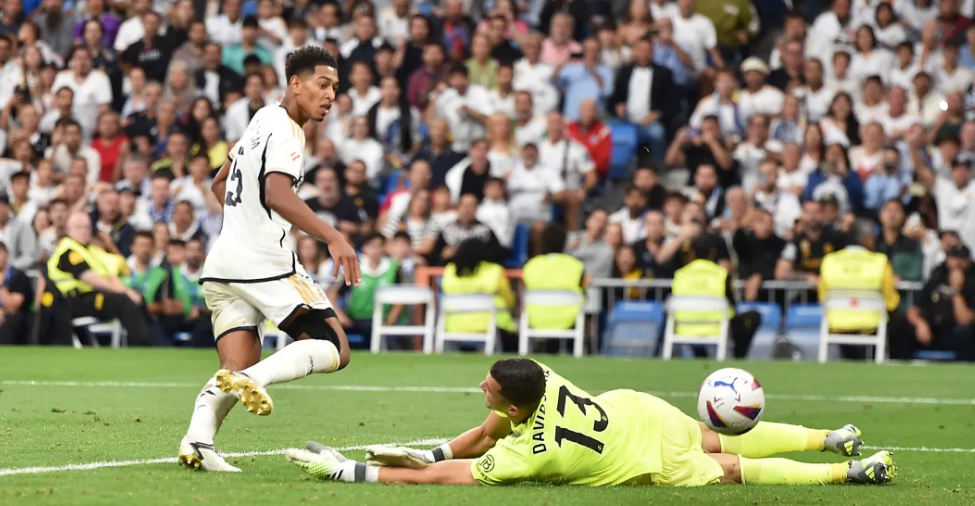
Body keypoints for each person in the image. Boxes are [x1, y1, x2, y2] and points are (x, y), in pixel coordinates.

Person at [287, 358, 896, 487]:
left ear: (513, 401)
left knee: (729, 464)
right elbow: (478, 436)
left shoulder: (531, 456)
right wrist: (434, 447)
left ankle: (849, 474)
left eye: (490, 388)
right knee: (712, 434)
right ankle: (831, 438)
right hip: (638, 411)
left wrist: (354, 475)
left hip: (644, 461)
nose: (483, 388)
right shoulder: (541, 376)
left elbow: (447, 478)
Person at [178, 47, 361, 473]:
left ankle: (197, 443)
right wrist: (333, 236)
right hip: (264, 262)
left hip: (223, 261)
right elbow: (277, 192)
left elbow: (219, 183)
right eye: (323, 84)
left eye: (335, 87)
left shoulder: (260, 118)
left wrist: (245, 222)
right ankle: (255, 380)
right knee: (336, 346)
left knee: (233, 365)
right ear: (295, 83)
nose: (331, 94)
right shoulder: (289, 132)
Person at [46, 212, 151, 346]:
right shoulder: (69, 251)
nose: (83, 231)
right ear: (68, 230)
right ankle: (142, 344)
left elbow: (110, 276)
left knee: (136, 297)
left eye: (86, 228)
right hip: (72, 301)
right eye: (78, 227)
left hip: (92, 297)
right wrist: (124, 293)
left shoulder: (92, 251)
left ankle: (153, 338)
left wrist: (128, 291)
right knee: (122, 301)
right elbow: (92, 279)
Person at [671, 233, 760, 358]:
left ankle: (697, 355)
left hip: (684, 327)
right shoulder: (721, 274)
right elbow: (731, 306)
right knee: (753, 316)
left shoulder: (680, 274)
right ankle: (739, 356)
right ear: (713, 252)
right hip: (717, 328)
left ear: (691, 253)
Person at [889, 244, 975, 362]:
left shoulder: (972, 280)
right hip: (931, 331)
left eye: (961, 259)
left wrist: (956, 291)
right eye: (954, 258)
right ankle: (900, 365)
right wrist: (920, 324)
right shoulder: (938, 275)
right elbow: (914, 309)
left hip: (955, 333)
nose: (957, 263)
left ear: (968, 261)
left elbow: (965, 320)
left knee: (964, 333)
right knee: (902, 324)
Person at [441, 238, 516, 351]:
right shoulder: (494, 271)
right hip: (489, 327)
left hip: (454, 327)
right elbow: (509, 300)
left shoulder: (450, 271)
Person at [521, 223, 586, 353]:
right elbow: (583, 292)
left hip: (536, 317)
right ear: (564, 242)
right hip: (568, 318)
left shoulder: (531, 265)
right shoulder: (576, 265)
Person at [0, 242, 34, 345]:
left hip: (14, 317)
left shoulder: (18, 276)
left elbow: (13, 307)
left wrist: (1, 286)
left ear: (6, 254)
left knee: (10, 321)